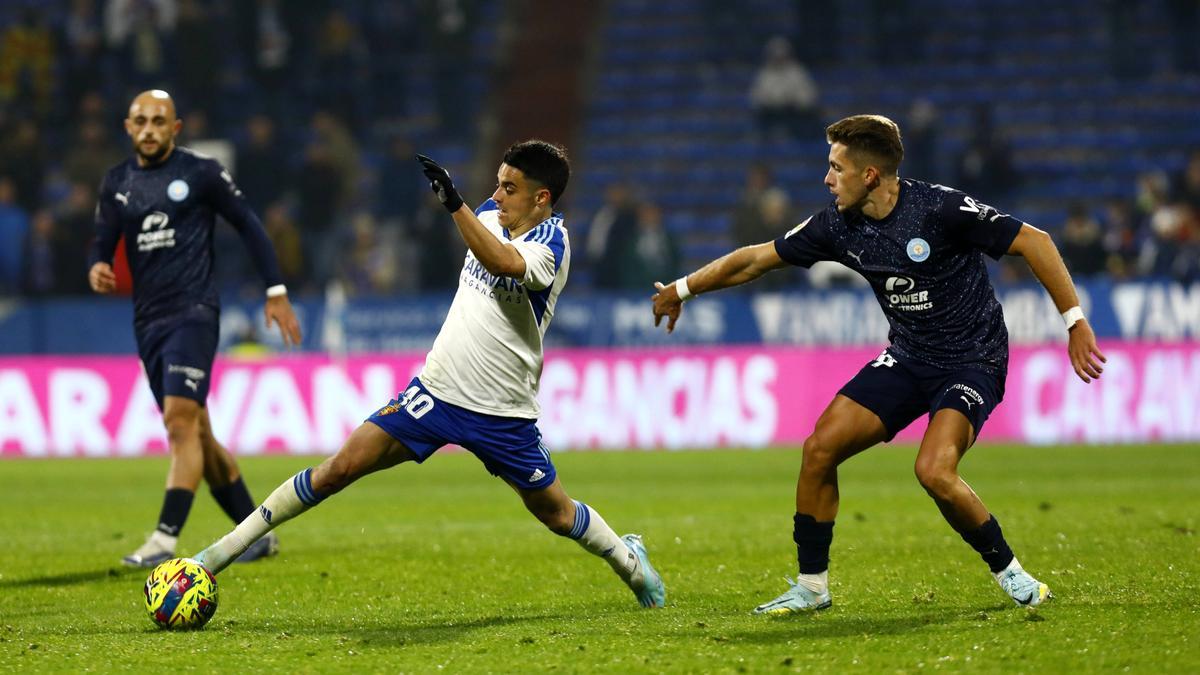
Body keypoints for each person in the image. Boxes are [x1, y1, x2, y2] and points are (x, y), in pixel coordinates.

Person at [651, 114, 1106, 613]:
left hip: (972, 360)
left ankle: (1013, 575)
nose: (827, 179)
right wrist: (682, 288)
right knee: (820, 448)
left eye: (836, 168)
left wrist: (1075, 322)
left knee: (933, 470)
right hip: (909, 357)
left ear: (869, 175)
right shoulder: (836, 224)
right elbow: (757, 259)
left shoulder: (941, 208)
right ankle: (812, 587)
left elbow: (1034, 241)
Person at [192, 141, 666, 609]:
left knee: (557, 514)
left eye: (510, 188)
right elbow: (480, 237)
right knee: (338, 469)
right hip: (435, 393)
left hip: (502, 413)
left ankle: (630, 561)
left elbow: (502, 262)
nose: (496, 196)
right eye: (497, 185)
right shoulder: (486, 214)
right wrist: (461, 209)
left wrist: (454, 205)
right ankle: (215, 556)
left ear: (541, 198)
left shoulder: (552, 243)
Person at [87, 90, 302, 567]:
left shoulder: (200, 173)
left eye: (158, 121)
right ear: (128, 126)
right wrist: (97, 265)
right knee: (199, 434)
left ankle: (163, 540)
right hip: (148, 320)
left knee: (178, 421)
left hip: (194, 311)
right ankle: (256, 535)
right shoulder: (116, 182)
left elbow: (247, 224)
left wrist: (275, 290)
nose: (148, 129)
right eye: (140, 120)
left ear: (175, 128)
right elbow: (102, 241)